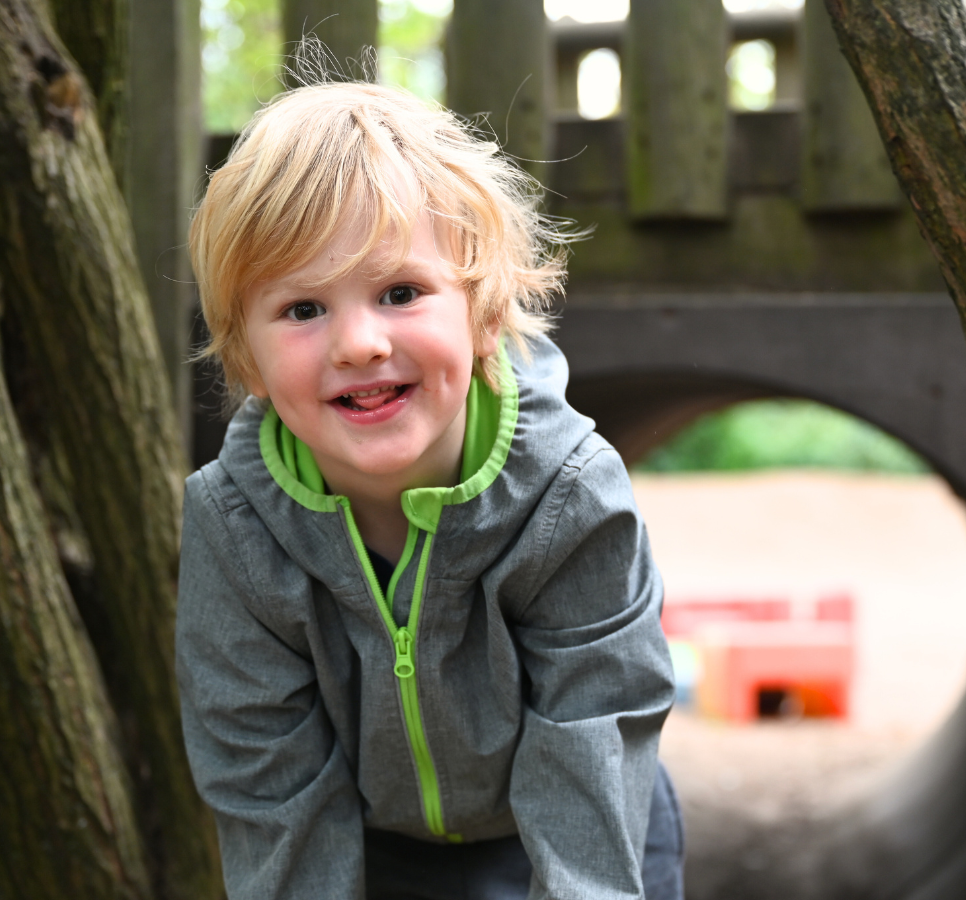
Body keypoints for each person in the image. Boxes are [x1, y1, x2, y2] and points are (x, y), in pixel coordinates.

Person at [177, 77, 683, 900]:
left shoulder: (568, 494)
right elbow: (266, 778)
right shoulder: (236, 528)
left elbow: (596, 727)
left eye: (400, 293)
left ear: (483, 314)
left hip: (579, 828)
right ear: (246, 358)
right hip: (380, 849)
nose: (359, 342)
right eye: (303, 308)